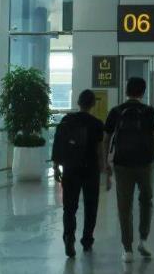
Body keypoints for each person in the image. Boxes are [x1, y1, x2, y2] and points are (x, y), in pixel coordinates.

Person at [104, 77, 154, 263]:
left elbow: (106, 138)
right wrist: (152, 158)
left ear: (126, 91)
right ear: (143, 92)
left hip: (122, 164)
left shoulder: (116, 111)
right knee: (146, 201)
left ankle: (127, 249)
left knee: (124, 206)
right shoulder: (149, 111)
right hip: (145, 163)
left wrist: (106, 162)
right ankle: (143, 240)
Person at [52, 89, 105, 258]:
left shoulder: (67, 120)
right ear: (93, 104)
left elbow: (58, 144)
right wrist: (104, 169)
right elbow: (100, 150)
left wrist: (56, 167)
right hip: (91, 169)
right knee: (91, 206)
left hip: (71, 168)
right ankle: (87, 240)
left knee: (69, 207)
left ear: (78, 102)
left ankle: (69, 237)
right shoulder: (97, 124)